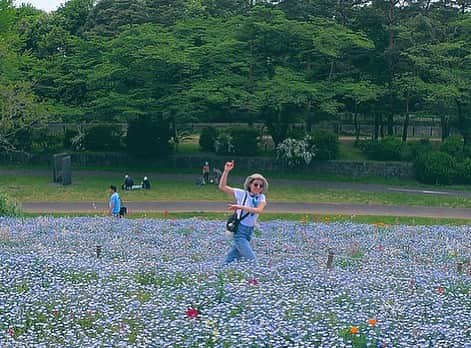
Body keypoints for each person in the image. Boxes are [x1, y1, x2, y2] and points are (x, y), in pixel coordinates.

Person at [219, 160, 268, 264]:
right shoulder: (242, 194)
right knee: (253, 261)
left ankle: (221, 271)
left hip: (249, 231)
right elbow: (223, 187)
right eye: (255, 184)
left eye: (261, 186)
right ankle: (256, 279)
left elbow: (259, 210)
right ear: (250, 184)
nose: (258, 187)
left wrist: (240, 207)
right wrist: (226, 171)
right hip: (240, 231)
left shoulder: (261, 197)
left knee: (232, 258)